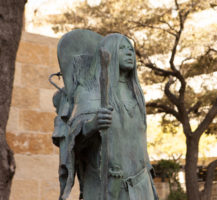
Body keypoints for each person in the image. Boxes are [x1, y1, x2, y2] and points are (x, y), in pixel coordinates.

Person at [60, 33, 158, 200]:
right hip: (108, 187)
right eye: (122, 48)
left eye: (131, 50)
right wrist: (92, 125)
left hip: (142, 186)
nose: (129, 53)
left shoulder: (136, 94)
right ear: (108, 52)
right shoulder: (90, 91)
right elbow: (72, 141)